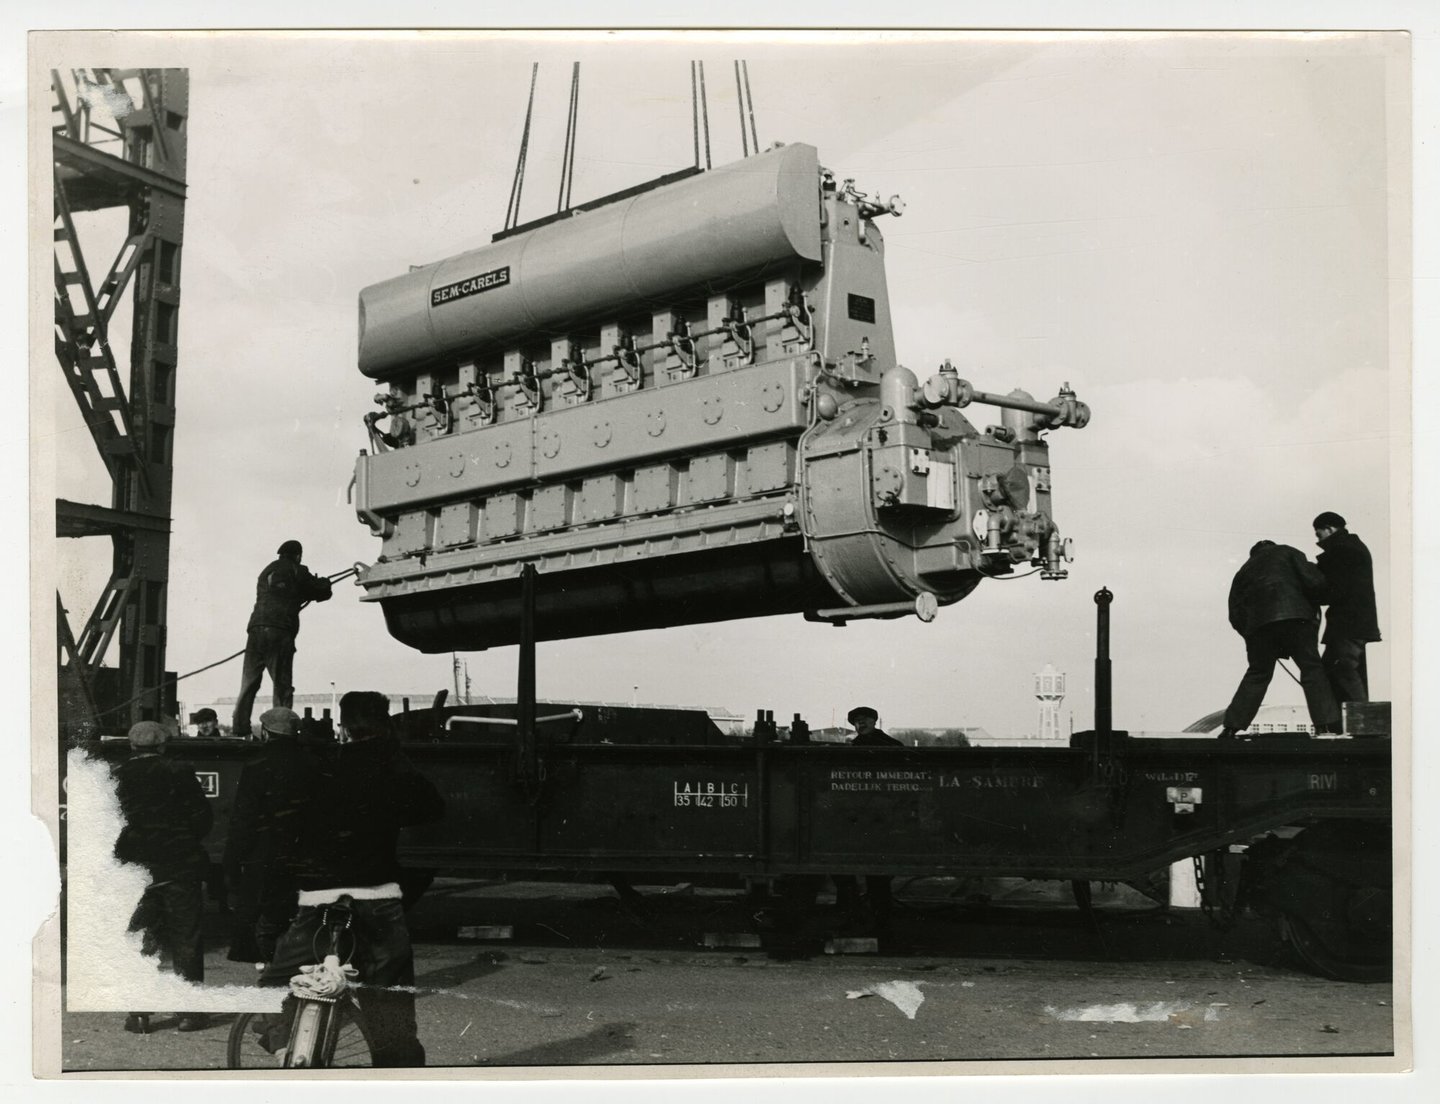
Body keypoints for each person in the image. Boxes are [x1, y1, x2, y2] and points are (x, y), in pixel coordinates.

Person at [255, 690, 444, 1067]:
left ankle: (282, 1046)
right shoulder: (395, 767)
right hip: (377, 895)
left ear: (342, 725)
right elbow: (431, 808)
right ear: (386, 723)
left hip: (317, 897)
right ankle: (399, 1080)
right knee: (390, 1004)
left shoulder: (322, 763)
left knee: (277, 982)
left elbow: (285, 822)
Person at [111, 719, 214, 1034]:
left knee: (142, 935)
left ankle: (139, 1014)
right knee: (186, 935)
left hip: (137, 869)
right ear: (162, 745)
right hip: (178, 864)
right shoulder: (179, 771)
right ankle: (188, 1013)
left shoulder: (116, 776)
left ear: (131, 746)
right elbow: (202, 817)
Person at [224, 707, 326, 965]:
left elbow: (244, 816)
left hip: (264, 850)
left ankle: (264, 963)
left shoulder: (256, 764)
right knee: (294, 909)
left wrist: (233, 858)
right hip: (304, 848)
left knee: (261, 907)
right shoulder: (314, 763)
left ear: (266, 732)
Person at [1219, 540, 1339, 739]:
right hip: (1296, 619)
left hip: (1259, 628)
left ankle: (1230, 728)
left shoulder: (1243, 572)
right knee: (1311, 669)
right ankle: (1325, 727)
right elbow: (1315, 582)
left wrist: (1251, 634)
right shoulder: (1289, 552)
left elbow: (1235, 614)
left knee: (1258, 674)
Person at [232, 540, 333, 738]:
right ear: (298, 555)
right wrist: (325, 583)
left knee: (249, 682)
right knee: (282, 684)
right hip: (280, 631)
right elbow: (320, 591)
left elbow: (286, 591)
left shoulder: (266, 571)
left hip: (255, 630)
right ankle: (281, 730)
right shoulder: (297, 570)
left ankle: (240, 727)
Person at [1312, 511, 1381, 707]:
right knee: (1338, 669)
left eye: (1319, 534)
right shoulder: (1353, 547)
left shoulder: (1342, 550)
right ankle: (1354, 722)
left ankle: (1363, 719)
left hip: (1347, 623)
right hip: (1354, 621)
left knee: (1343, 669)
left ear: (1329, 529)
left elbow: (1333, 588)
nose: (1318, 539)